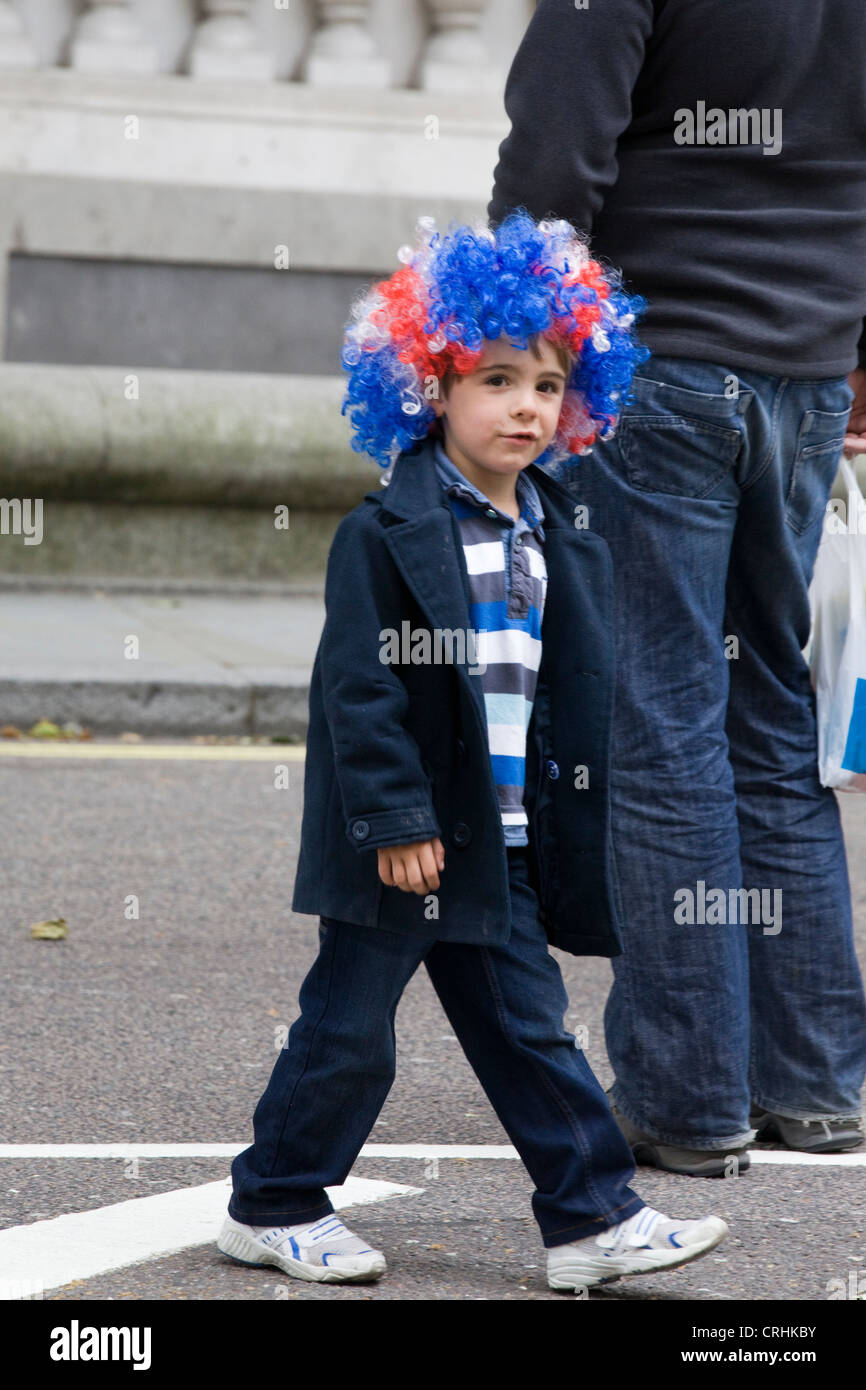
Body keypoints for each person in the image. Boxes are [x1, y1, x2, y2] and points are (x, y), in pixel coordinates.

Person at [216, 211, 727, 1290]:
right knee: (349, 1033)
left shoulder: (558, 532)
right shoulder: (384, 531)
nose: (524, 406)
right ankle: (271, 1202)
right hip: (402, 838)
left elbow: (555, 702)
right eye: (495, 380)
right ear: (428, 388)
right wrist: (396, 820)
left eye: (545, 384)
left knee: (529, 1029)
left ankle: (590, 1217)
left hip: (499, 841)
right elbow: (358, 692)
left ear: (575, 401)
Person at [488, 0, 866, 1176]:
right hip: (804, 368)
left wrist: (521, 358)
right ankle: (813, 1080)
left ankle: (684, 1096)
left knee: (661, 724)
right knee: (769, 715)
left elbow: (552, 157)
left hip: (656, 365)